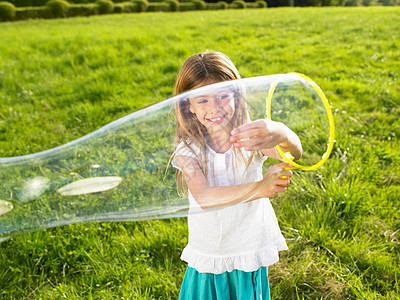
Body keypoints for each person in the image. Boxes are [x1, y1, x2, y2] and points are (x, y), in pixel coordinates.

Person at [171, 51, 302, 299]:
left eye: (222, 95)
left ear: (236, 95)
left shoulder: (251, 138)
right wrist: (259, 188)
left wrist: (283, 133)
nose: (215, 107)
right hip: (212, 253)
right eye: (203, 101)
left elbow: (293, 154)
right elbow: (205, 197)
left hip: (248, 247)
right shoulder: (188, 150)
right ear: (188, 105)